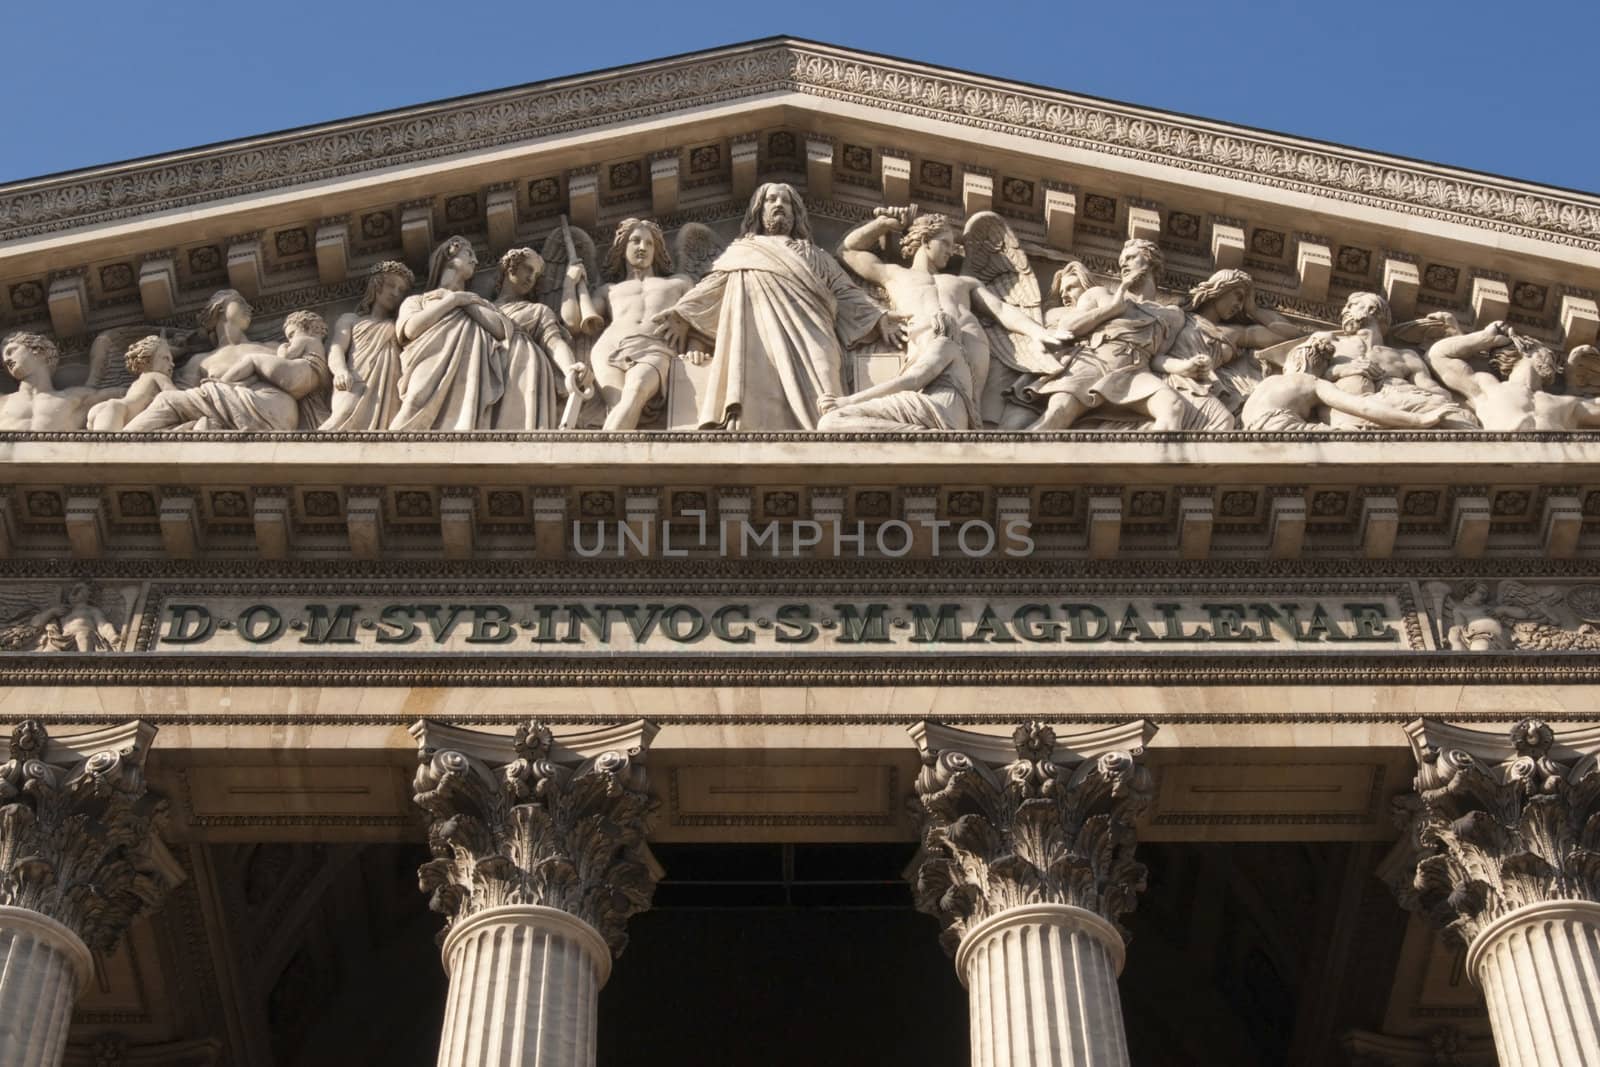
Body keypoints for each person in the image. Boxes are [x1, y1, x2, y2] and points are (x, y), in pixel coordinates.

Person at [654, 183, 897, 430]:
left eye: (786, 201)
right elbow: (712, 290)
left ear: (795, 213)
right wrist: (682, 316)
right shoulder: (741, 251)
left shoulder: (814, 254)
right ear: (759, 211)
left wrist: (879, 317)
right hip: (755, 340)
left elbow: (844, 290)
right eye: (772, 200)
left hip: (815, 337)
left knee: (828, 400)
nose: (779, 205)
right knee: (756, 391)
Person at [819, 210, 1068, 430]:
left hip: (970, 343)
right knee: (929, 389)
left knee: (963, 406)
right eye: (946, 243)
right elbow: (848, 251)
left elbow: (1001, 309)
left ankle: (967, 427)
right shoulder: (895, 275)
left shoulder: (963, 282)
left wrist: (1037, 332)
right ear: (926, 240)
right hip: (928, 343)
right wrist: (884, 224)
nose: (953, 250)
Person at [1019, 238, 1191, 431]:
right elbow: (1069, 326)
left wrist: (1187, 366)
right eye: (1121, 261)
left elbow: (1158, 358)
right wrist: (1113, 308)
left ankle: (1145, 459)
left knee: (1173, 406)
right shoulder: (1100, 294)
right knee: (1057, 415)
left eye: (1131, 257)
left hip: (1134, 372)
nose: (1124, 264)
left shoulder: (1173, 315)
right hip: (1094, 363)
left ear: (1150, 261)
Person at [564, 218, 702, 430]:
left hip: (655, 346)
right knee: (618, 405)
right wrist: (570, 283)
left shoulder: (679, 283)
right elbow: (572, 322)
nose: (642, 247)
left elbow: (700, 315)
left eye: (649, 243)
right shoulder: (609, 290)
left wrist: (695, 346)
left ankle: (600, 459)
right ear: (623, 247)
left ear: (656, 250)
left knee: (635, 391)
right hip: (609, 349)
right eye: (635, 241)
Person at [123, 290, 329, 432]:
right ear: (220, 309)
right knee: (172, 401)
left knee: (166, 401)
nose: (250, 308)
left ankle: (124, 443)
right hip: (260, 414)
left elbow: (303, 379)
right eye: (240, 302)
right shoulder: (199, 361)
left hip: (271, 407)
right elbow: (182, 400)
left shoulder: (273, 347)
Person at [391, 236, 516, 431]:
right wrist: (453, 300)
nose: (475, 260)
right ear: (450, 253)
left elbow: (500, 329)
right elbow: (411, 329)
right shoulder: (417, 300)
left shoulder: (476, 302)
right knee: (415, 400)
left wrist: (462, 301)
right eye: (469, 253)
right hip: (429, 361)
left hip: (470, 370)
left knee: (466, 409)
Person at [1322, 291, 1477, 429]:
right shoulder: (1331, 344)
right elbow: (1305, 379)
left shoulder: (1406, 356)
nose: (1344, 311)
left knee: (1461, 416)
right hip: (1352, 409)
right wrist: (1341, 370)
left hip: (1405, 402)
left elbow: (1438, 393)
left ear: (1371, 309)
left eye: (1351, 306)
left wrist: (1402, 388)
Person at [1240, 335, 1447, 431]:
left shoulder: (1268, 382)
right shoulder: (1312, 383)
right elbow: (1363, 407)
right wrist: (1417, 420)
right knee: (1352, 432)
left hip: (1250, 431)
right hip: (1284, 432)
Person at [1426, 319, 1600, 430]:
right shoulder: (1488, 386)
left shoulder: (1567, 402)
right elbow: (1438, 356)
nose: (1556, 366)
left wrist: (1572, 380)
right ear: (1527, 348)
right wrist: (1484, 338)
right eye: (1551, 356)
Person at [491, 247, 582, 430]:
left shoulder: (538, 311)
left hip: (523, 374)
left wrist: (571, 368)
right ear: (511, 267)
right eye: (528, 268)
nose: (532, 277)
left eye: (536, 274)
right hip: (487, 376)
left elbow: (555, 343)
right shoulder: (480, 307)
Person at [321, 260, 413, 432]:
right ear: (376, 286)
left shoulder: (398, 325)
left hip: (388, 386)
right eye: (391, 285)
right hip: (355, 380)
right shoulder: (350, 319)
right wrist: (340, 371)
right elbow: (337, 348)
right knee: (339, 420)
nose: (395, 293)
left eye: (401, 291)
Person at [0, 331, 127, 430]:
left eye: (11, 351)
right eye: (4, 359)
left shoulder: (76, 397)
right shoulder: (3, 402)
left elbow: (130, 394)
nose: (7, 360)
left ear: (38, 349)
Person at [86, 333, 178, 430]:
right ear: (147, 360)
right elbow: (175, 396)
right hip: (118, 410)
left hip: (105, 407)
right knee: (107, 444)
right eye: (166, 358)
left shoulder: (137, 382)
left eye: (172, 360)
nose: (172, 364)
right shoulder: (157, 375)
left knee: (97, 442)